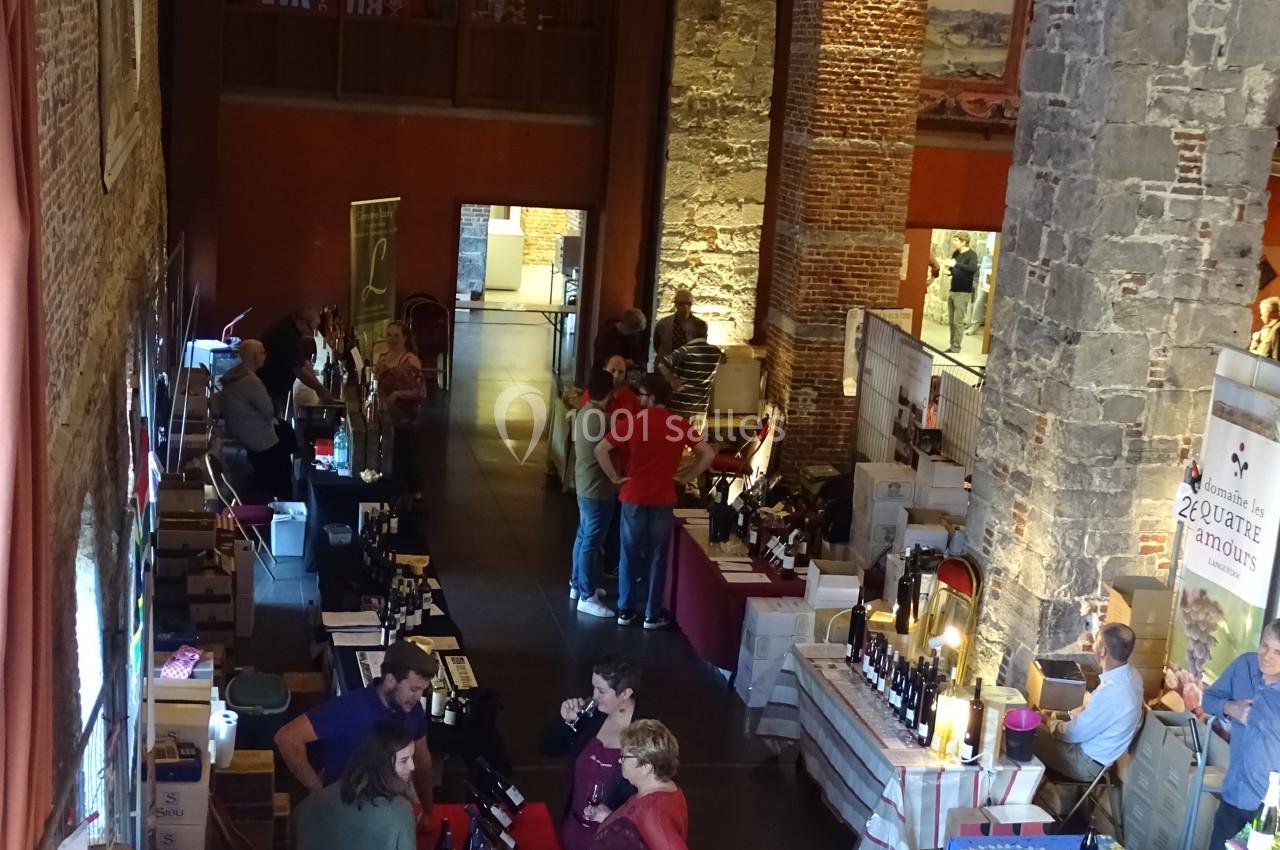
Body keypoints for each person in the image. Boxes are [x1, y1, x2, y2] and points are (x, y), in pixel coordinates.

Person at [594, 374, 715, 629]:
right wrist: (687, 476)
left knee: (628, 553)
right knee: (657, 556)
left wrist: (615, 476)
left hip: (633, 494)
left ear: (651, 397)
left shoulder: (633, 422)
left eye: (641, 395)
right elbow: (707, 453)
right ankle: (652, 613)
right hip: (664, 495)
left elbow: (601, 449)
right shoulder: (679, 424)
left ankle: (625, 611)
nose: (638, 399)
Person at [275, 641, 436, 820]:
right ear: (390, 680)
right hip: (348, 808)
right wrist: (318, 792)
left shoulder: (413, 710)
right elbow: (287, 738)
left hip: (389, 805)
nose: (418, 697)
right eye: (414, 689)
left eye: (422, 690)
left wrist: (429, 811)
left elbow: (422, 760)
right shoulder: (348, 709)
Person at [539, 655, 644, 850]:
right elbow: (547, 748)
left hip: (611, 840)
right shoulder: (592, 715)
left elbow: (649, 798)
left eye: (602, 691)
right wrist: (567, 721)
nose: (594, 696)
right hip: (574, 828)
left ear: (625, 693)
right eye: (594, 687)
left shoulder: (646, 733)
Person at [1203, 618, 1280, 849]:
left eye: (1278, 652)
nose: (1267, 656)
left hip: (1269, 808)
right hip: (1234, 793)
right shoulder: (1244, 666)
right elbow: (1208, 699)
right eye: (1265, 646)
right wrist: (1230, 708)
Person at [1034, 623, 1143, 782]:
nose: (1093, 646)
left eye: (1095, 642)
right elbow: (1102, 712)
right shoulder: (1132, 675)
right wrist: (1058, 717)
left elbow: (1073, 733)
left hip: (1084, 763)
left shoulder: (1112, 693)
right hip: (1094, 750)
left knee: (1026, 733)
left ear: (1103, 651)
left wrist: (1049, 723)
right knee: (1051, 714)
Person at [292, 720, 420, 850]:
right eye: (404, 760)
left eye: (412, 758)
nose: (412, 767)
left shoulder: (308, 804)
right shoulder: (400, 810)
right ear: (381, 763)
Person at [591, 720, 688, 850]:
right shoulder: (663, 790)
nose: (620, 761)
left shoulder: (652, 813)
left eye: (624, 757)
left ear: (646, 766)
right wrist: (609, 818)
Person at [571, 369, 620, 619]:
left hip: (583, 484)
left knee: (583, 535)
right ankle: (586, 595)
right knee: (592, 540)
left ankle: (577, 584)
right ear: (610, 392)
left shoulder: (582, 413)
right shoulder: (603, 419)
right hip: (598, 489)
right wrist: (616, 477)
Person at [219, 340, 293, 500]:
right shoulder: (250, 381)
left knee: (286, 431)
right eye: (262, 352)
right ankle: (284, 501)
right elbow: (268, 411)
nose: (265, 356)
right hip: (258, 438)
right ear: (253, 357)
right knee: (286, 454)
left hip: (242, 431)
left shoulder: (234, 376)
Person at [373, 321, 425, 495]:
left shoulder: (411, 360)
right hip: (387, 414)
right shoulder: (382, 357)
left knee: (407, 453)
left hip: (406, 416)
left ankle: (413, 492)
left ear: (405, 338)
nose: (392, 339)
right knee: (390, 451)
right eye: (389, 335)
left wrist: (397, 395)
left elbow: (419, 391)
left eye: (396, 335)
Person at [260, 309, 332, 415]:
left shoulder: (292, 329)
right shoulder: (287, 333)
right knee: (274, 423)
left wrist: (317, 384)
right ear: (302, 322)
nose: (311, 333)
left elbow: (303, 361)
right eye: (311, 329)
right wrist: (320, 389)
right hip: (270, 388)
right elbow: (299, 370)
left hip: (273, 388)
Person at [657, 337, 724, 422]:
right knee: (694, 435)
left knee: (676, 433)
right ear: (706, 334)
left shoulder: (685, 350)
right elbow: (724, 359)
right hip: (700, 410)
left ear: (688, 335)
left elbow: (662, 364)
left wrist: (672, 379)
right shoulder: (715, 351)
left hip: (679, 408)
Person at [651, 289, 708, 365]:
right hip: (665, 367)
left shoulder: (700, 325)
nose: (685, 307)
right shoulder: (663, 324)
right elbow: (657, 346)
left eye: (688, 303)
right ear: (676, 304)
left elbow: (701, 348)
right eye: (681, 303)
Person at [943, 233, 978, 354]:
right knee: (952, 321)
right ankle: (952, 345)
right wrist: (950, 272)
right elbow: (954, 269)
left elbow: (972, 269)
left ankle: (956, 347)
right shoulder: (956, 253)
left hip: (963, 292)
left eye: (956, 240)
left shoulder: (971, 255)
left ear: (964, 242)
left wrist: (956, 264)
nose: (954, 243)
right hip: (953, 289)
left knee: (958, 321)